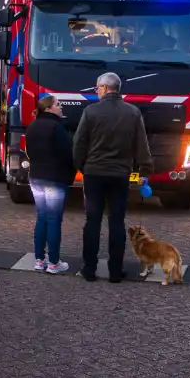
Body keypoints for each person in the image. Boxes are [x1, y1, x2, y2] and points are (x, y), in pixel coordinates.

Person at [72, 72, 153, 282]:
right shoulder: (133, 112)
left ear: (106, 88)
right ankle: (115, 271)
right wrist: (144, 170)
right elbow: (141, 145)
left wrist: (81, 165)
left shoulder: (91, 111)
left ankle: (89, 269)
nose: (97, 91)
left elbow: (79, 143)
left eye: (98, 87)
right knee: (116, 221)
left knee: (92, 221)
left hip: (94, 173)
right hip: (120, 174)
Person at [25, 94, 76, 274]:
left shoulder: (32, 126)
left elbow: (29, 151)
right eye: (58, 104)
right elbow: (68, 154)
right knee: (54, 220)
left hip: (36, 177)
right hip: (55, 179)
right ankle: (54, 262)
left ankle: (39, 259)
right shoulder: (57, 127)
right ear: (48, 108)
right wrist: (70, 174)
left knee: (41, 217)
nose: (61, 107)